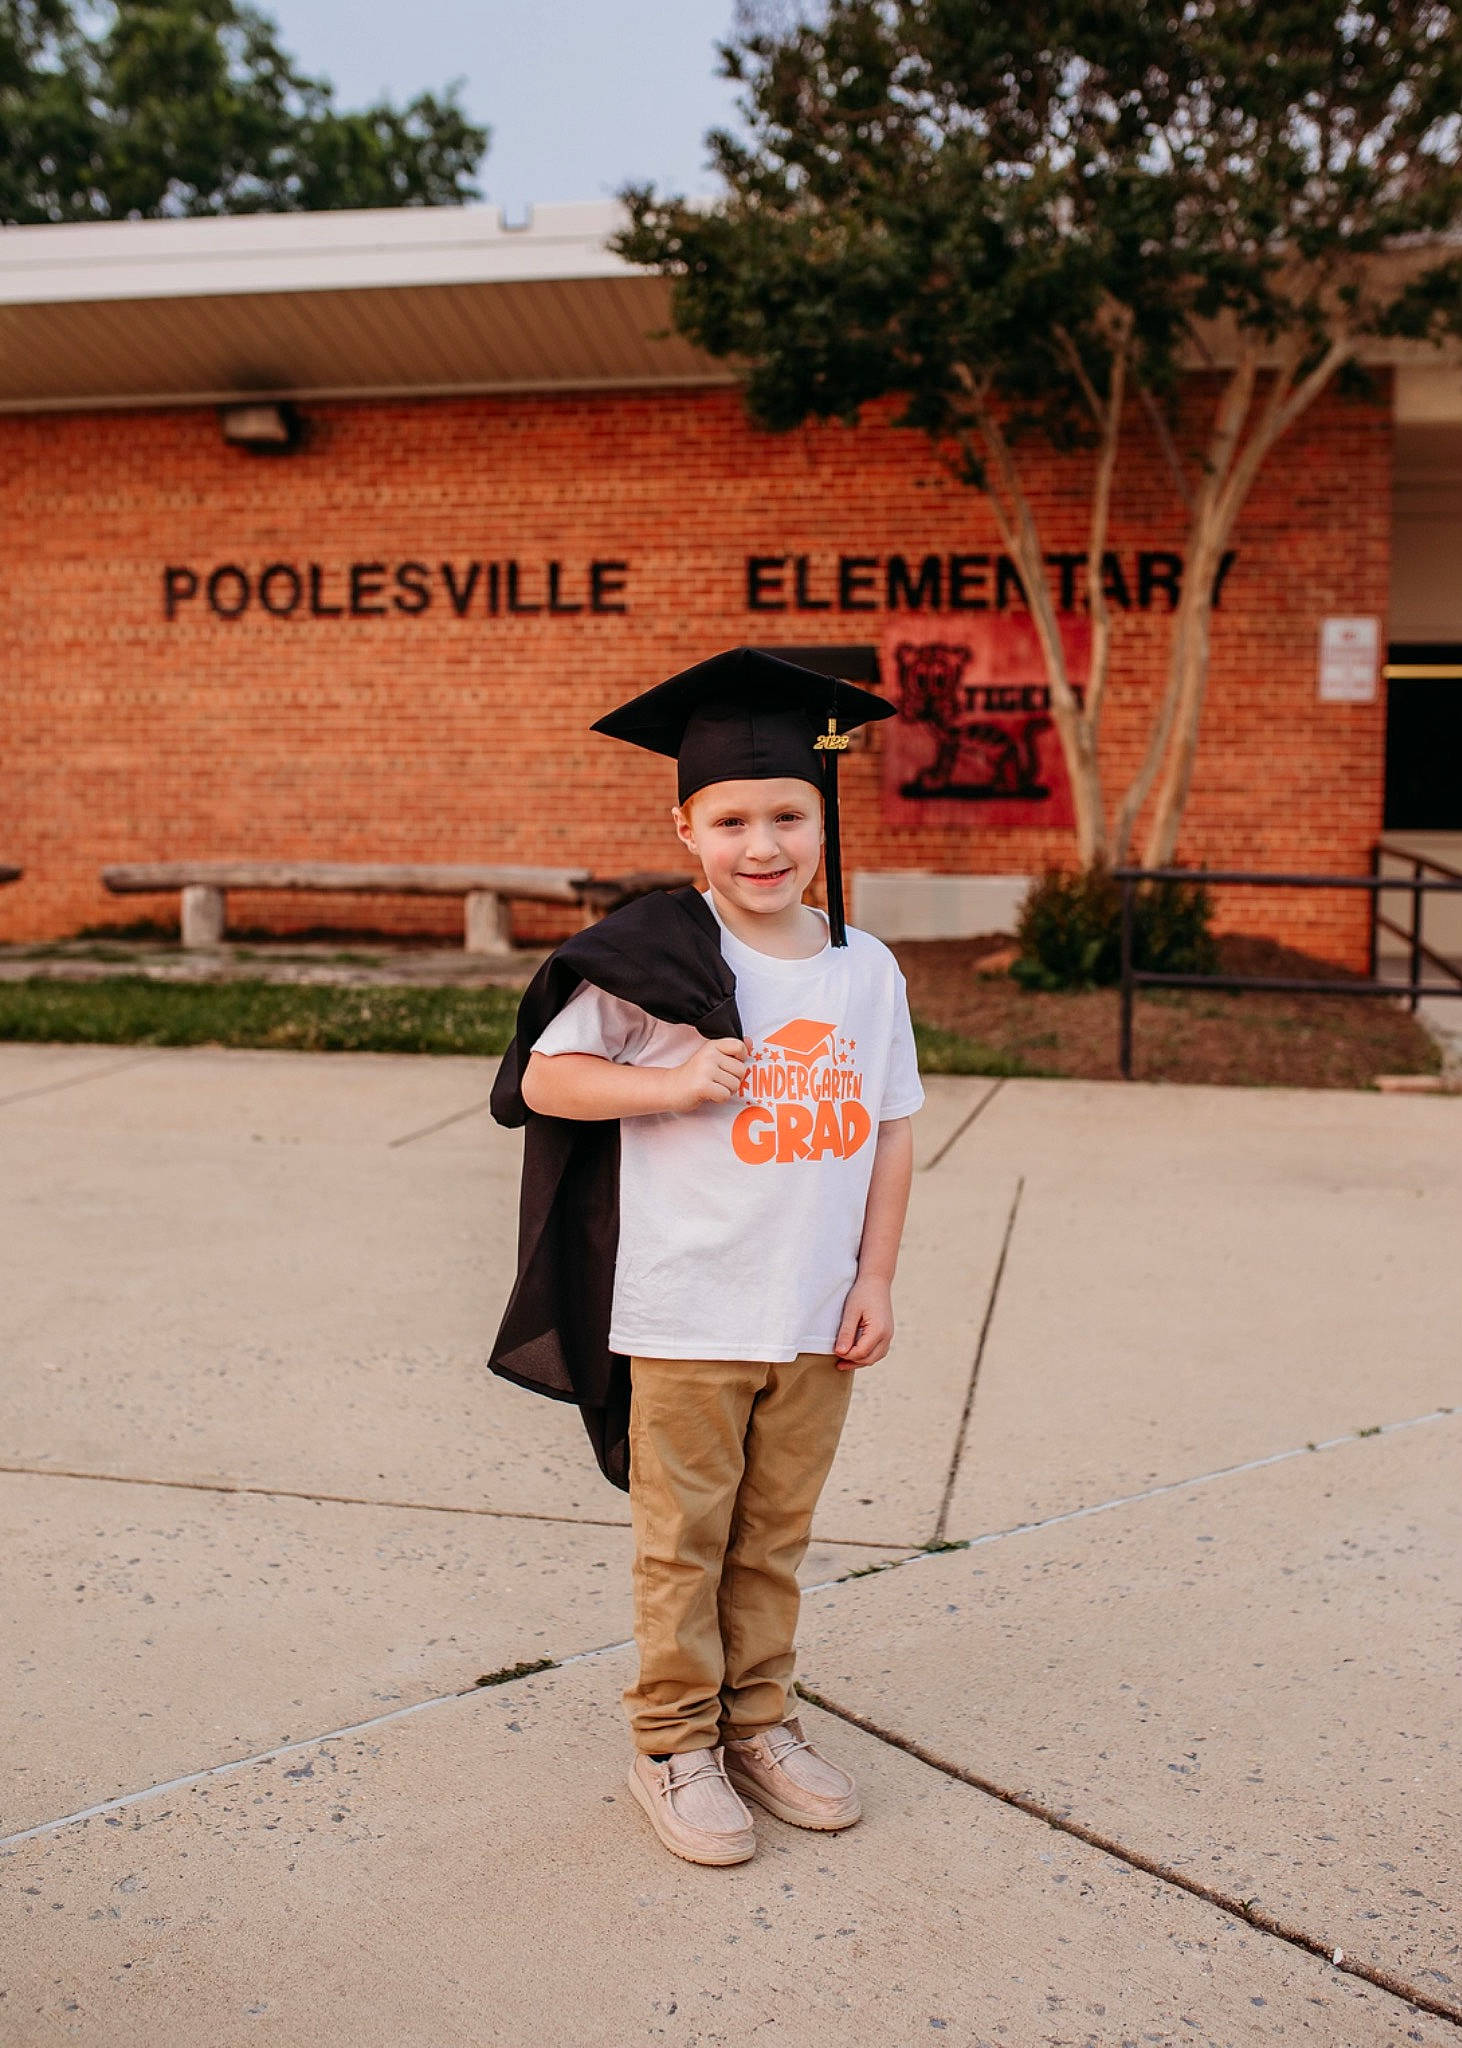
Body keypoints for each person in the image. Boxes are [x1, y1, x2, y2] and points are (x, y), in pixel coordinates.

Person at [487, 647, 923, 1866]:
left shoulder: (864, 969)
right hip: (682, 1314)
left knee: (773, 1537)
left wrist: (875, 1275)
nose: (762, 842)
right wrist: (670, 1076)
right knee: (684, 1543)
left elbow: (890, 1132)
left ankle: (761, 1721)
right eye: (731, 818)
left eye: (787, 813)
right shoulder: (659, 958)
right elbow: (543, 1077)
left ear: (822, 815)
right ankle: (673, 1740)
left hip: (811, 1315)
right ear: (685, 825)